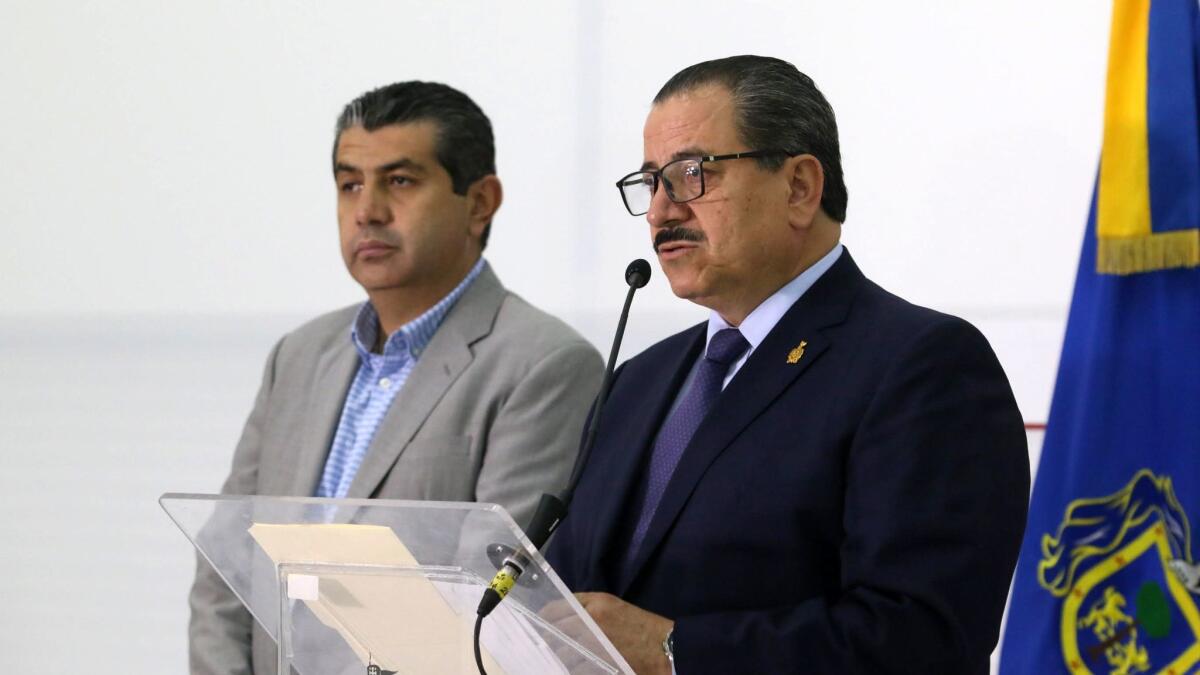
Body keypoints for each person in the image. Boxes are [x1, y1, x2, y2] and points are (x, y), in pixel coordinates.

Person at [545, 55, 1030, 674]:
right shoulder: (639, 380)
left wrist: (676, 651)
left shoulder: (922, 366)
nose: (662, 211)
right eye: (651, 183)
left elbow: (923, 636)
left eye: (691, 174)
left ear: (800, 186)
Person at [188, 81, 604, 674]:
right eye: (349, 184)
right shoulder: (298, 356)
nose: (367, 211)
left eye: (400, 182)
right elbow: (223, 572)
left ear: (480, 202)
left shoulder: (545, 364)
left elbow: (489, 607)